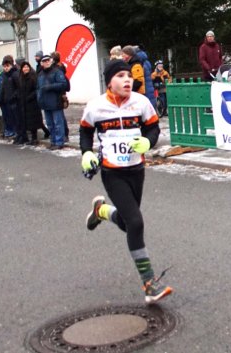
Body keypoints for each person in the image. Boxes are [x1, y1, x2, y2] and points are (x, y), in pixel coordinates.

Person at [80, 59, 173, 305]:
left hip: (136, 170)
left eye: (129, 75)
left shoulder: (141, 102)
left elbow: (153, 128)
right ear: (109, 81)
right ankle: (149, 283)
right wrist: (86, 153)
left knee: (127, 223)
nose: (127, 80)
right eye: (120, 76)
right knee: (135, 222)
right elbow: (85, 131)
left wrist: (148, 142)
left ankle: (101, 211)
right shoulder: (96, 106)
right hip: (113, 173)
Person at [37, 53, 69, 149]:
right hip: (45, 103)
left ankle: (59, 142)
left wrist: (50, 87)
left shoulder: (57, 72)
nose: (46, 62)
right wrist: (39, 98)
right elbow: (38, 88)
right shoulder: (40, 74)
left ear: (51, 61)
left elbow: (63, 84)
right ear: (42, 63)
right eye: (44, 61)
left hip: (56, 102)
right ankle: (53, 141)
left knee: (58, 123)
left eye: (48, 61)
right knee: (50, 124)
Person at [17, 61, 43, 145]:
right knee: (28, 121)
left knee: (33, 121)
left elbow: (37, 89)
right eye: (24, 67)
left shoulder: (33, 77)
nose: (25, 69)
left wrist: (30, 97)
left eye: (27, 67)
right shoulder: (21, 77)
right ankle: (31, 138)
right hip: (24, 103)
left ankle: (34, 138)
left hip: (32, 103)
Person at [0, 55, 21, 142]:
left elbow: (19, 88)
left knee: (15, 118)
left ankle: (16, 132)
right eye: (4, 66)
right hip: (5, 100)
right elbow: (2, 88)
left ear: (11, 65)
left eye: (8, 66)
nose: (6, 68)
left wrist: (14, 96)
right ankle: (9, 131)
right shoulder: (3, 75)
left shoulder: (15, 74)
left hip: (14, 100)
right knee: (7, 117)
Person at [51, 51, 71, 141]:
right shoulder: (61, 67)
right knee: (60, 115)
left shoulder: (57, 69)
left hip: (59, 94)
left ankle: (64, 134)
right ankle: (64, 134)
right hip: (62, 93)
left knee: (60, 116)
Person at [135, 45, 157, 109]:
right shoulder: (147, 62)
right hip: (149, 86)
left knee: (146, 106)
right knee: (151, 104)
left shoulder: (139, 63)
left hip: (144, 88)